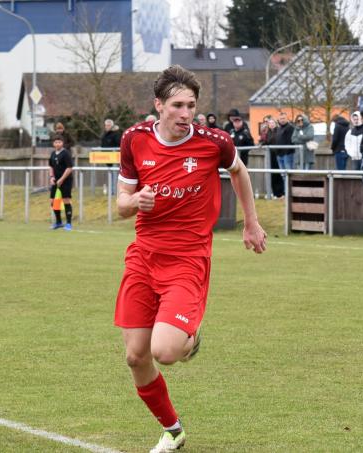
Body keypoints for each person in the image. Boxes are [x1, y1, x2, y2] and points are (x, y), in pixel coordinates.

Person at [114, 65, 267, 453]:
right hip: (143, 257)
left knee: (165, 352)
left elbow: (240, 172)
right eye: (178, 106)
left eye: (192, 106)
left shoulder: (213, 143)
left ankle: (190, 334)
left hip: (187, 259)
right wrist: (135, 201)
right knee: (135, 357)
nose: (186, 114)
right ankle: (174, 431)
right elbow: (120, 205)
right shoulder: (134, 140)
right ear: (158, 106)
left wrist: (251, 224)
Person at [48, 134, 74, 230]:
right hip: (55, 181)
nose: (57, 144)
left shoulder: (66, 153)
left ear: (62, 143)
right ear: (53, 143)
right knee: (53, 201)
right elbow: (51, 166)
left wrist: (61, 179)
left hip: (66, 181)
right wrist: (51, 177)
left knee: (66, 200)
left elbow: (69, 168)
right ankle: (58, 222)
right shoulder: (53, 154)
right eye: (56, 142)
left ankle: (68, 223)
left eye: (59, 142)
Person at [259, 115, 284, 198]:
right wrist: (262, 144)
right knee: (272, 174)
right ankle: (275, 193)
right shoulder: (268, 132)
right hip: (271, 155)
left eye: (273, 123)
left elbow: (277, 141)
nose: (272, 124)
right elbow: (267, 141)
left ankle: (282, 192)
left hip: (278, 154)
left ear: (275, 124)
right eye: (270, 123)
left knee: (280, 174)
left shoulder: (279, 131)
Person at [101, 119, 122, 195]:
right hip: (107, 157)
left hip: (114, 157)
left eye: (109, 125)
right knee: (109, 173)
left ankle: (114, 191)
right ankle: (110, 190)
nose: (107, 126)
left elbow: (119, 144)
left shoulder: (116, 134)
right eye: (106, 125)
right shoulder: (105, 134)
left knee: (115, 174)